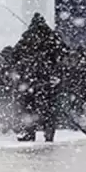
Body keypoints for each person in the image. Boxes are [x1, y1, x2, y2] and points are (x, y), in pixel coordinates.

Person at [14, 13, 66, 142]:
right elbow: (63, 52)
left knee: (28, 107)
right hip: (47, 78)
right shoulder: (53, 38)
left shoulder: (27, 37)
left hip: (30, 78)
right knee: (49, 107)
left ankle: (29, 132)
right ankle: (49, 132)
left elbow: (15, 54)